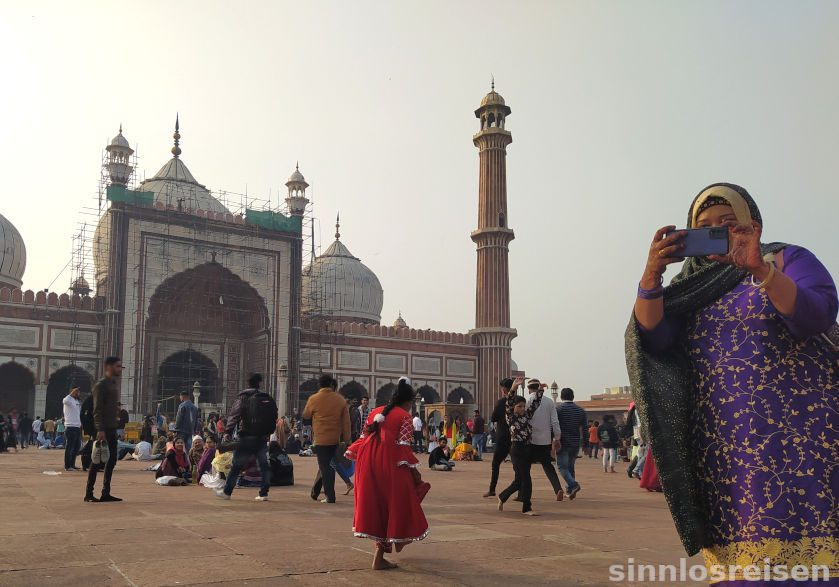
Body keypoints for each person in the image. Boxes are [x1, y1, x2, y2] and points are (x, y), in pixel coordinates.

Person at [627, 182, 839, 579]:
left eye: (728, 222)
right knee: (740, 563)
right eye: (705, 225)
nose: (718, 230)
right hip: (724, 450)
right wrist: (652, 274)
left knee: (807, 557)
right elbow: (652, 337)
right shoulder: (690, 284)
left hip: (797, 441)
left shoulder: (786, 258)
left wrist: (761, 269)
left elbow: (818, 313)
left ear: (752, 225)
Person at [345, 377, 429, 570]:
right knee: (393, 506)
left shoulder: (376, 411)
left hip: (367, 462)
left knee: (378, 506)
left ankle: (381, 554)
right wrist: (414, 472)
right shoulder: (405, 417)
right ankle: (380, 556)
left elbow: (363, 436)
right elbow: (403, 448)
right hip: (389, 463)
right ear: (409, 402)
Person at [216, 374, 277, 501]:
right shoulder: (266, 397)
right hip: (262, 436)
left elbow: (234, 414)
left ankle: (227, 492)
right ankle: (264, 493)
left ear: (248, 383)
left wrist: (228, 431)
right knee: (264, 465)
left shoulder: (244, 396)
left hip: (247, 436)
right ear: (259, 384)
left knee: (237, 465)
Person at [302, 374, 351, 504]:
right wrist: (347, 440)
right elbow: (346, 423)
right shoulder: (340, 400)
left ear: (319, 385)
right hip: (334, 439)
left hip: (321, 438)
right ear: (331, 385)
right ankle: (315, 492)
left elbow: (306, 414)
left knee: (325, 466)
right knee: (326, 465)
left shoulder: (314, 398)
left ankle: (330, 496)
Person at [497, 380, 543, 515]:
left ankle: (502, 496)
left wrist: (539, 390)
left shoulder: (527, 416)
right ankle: (527, 508)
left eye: (523, 406)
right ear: (514, 407)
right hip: (517, 449)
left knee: (519, 480)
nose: (522, 409)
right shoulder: (510, 417)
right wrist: (513, 388)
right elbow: (509, 403)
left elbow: (535, 404)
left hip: (527, 449)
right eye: (519, 406)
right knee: (526, 479)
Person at [85, 356, 123, 503]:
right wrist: (100, 429)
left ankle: (105, 492)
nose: (119, 369)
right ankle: (89, 493)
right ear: (109, 367)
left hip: (111, 428)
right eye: (117, 366)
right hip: (102, 429)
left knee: (111, 460)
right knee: (96, 461)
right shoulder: (100, 385)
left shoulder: (112, 385)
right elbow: (97, 409)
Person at [484, 377, 524, 498]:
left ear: (504, 390)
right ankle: (522, 493)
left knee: (496, 464)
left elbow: (493, 417)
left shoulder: (501, 402)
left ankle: (492, 489)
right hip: (516, 437)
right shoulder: (520, 401)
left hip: (503, 437)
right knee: (518, 466)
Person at [525, 378, 564, 501]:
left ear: (528, 388)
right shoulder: (549, 402)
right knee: (548, 466)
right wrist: (557, 438)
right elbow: (555, 422)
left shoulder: (527, 401)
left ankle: (523, 493)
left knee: (525, 468)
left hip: (531, 440)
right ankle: (558, 489)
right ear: (539, 387)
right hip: (545, 440)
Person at [555, 387, 587, 499]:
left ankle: (574, 485)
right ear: (573, 397)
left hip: (563, 442)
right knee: (570, 466)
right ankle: (569, 490)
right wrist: (586, 444)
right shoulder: (580, 411)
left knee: (561, 467)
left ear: (561, 397)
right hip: (575, 442)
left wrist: (553, 441)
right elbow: (585, 429)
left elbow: (554, 426)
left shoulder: (559, 409)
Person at [62, 386, 83, 471]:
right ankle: (67, 466)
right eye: (76, 391)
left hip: (77, 427)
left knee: (76, 447)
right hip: (70, 427)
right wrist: (71, 393)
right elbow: (65, 401)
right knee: (69, 447)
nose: (78, 393)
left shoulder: (76, 401)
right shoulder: (68, 400)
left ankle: (72, 464)